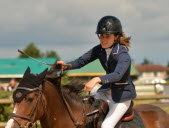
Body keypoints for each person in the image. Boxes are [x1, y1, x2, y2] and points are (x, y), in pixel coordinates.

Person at [57, 16, 136, 128]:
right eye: (101, 36)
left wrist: (96, 79)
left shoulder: (123, 55)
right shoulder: (99, 49)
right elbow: (81, 61)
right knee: (81, 104)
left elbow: (117, 75)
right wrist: (65, 66)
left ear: (116, 36)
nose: (103, 40)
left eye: (107, 36)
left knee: (106, 126)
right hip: (106, 92)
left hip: (121, 97)